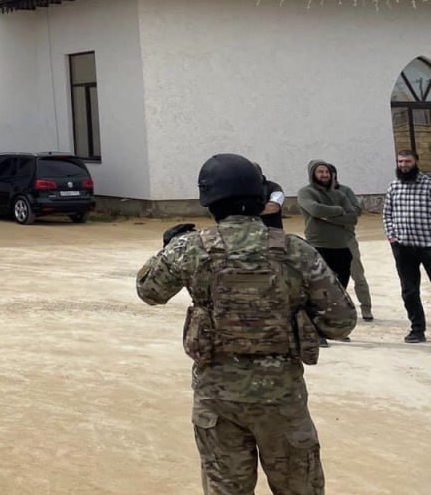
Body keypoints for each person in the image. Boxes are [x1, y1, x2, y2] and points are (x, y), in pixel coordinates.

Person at [137, 153, 356, 495]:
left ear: (209, 200)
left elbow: (149, 291)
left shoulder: (190, 249)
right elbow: (341, 322)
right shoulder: (295, 251)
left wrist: (167, 248)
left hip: (217, 401)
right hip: (282, 398)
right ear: (259, 197)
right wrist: (296, 314)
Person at [298, 159, 360, 346]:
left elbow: (353, 217)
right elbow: (315, 209)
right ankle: (317, 332)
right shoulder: (306, 192)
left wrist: (328, 217)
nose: (324, 175)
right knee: (318, 291)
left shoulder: (339, 194)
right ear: (313, 174)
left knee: (339, 290)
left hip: (341, 246)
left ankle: (335, 329)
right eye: (320, 172)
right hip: (319, 246)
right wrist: (339, 211)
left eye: (326, 172)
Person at [384, 149, 431, 343]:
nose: (403, 165)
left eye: (407, 161)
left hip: (428, 246)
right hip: (403, 247)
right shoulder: (394, 186)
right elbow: (387, 214)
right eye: (400, 161)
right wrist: (392, 237)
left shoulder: (428, 184)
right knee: (409, 291)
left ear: (416, 161)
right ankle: (417, 329)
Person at [334, 176, 373, 322]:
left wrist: (332, 216)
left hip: (347, 239)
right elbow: (315, 214)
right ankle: (336, 310)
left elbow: (356, 211)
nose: (325, 176)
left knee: (358, 275)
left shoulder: (345, 191)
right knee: (329, 279)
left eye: (329, 173)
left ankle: (366, 307)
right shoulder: (314, 193)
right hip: (325, 242)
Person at [258, 166, 285, 230]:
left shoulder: (274, 187)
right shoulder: (240, 188)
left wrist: (247, 211)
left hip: (272, 231)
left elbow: (273, 207)